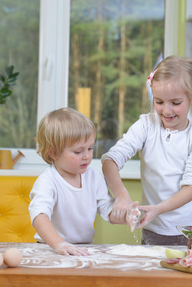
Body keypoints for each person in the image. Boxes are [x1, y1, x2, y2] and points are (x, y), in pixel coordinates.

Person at [101, 55, 192, 246]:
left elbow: (191, 188)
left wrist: (158, 209)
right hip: (154, 230)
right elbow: (110, 161)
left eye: (175, 103)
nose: (167, 110)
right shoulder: (146, 125)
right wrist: (121, 195)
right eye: (159, 102)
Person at [29, 107, 139, 256]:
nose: (86, 156)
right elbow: (39, 215)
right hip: (50, 248)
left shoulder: (94, 177)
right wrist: (59, 244)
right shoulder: (48, 181)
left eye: (90, 148)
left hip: (83, 248)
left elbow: (107, 208)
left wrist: (125, 215)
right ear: (54, 152)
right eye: (78, 151)